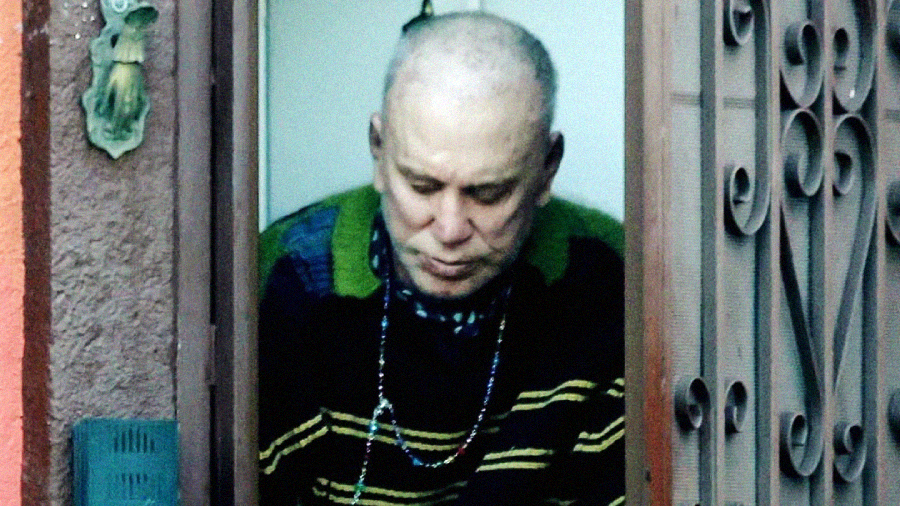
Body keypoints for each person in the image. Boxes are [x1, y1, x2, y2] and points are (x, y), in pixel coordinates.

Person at [258, 11, 624, 506]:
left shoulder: (609, 280)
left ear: (547, 168)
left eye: (488, 193)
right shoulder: (291, 279)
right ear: (378, 150)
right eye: (422, 186)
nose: (450, 230)